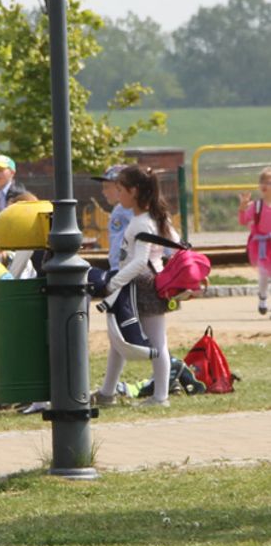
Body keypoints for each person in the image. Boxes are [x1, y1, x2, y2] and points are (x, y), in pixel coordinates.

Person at [91, 164, 175, 409]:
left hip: (140, 283)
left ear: (134, 191)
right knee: (121, 336)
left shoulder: (142, 222)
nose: (117, 193)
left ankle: (160, 396)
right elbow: (175, 242)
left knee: (156, 341)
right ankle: (108, 391)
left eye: (120, 189)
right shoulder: (153, 217)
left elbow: (138, 261)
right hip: (143, 280)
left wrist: (114, 282)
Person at [238, 167, 271, 315]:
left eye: (269, 182)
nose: (264, 185)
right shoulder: (256, 206)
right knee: (263, 274)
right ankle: (263, 298)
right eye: (262, 182)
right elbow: (243, 221)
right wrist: (243, 208)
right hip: (261, 245)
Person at [92, 164, 132, 269]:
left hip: (123, 271)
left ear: (121, 187)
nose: (103, 192)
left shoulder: (123, 208)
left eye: (107, 187)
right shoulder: (131, 207)